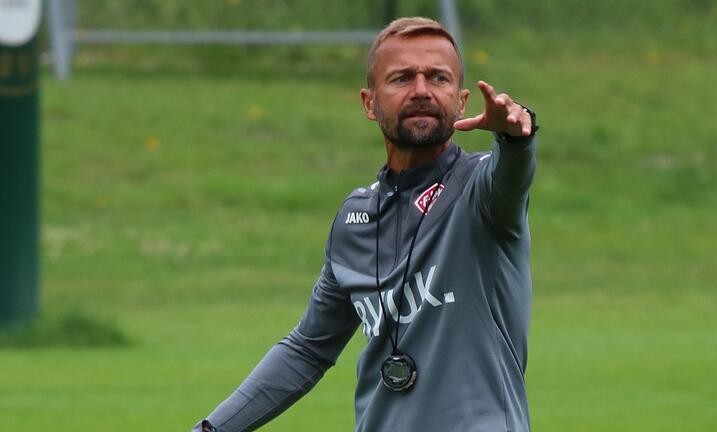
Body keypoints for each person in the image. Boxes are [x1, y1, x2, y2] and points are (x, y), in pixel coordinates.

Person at [192, 16, 538, 432]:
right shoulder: (356, 220)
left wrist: (515, 138)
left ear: (461, 101)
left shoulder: (482, 192)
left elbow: (512, 175)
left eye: (438, 78)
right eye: (402, 78)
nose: (422, 90)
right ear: (369, 103)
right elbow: (307, 349)